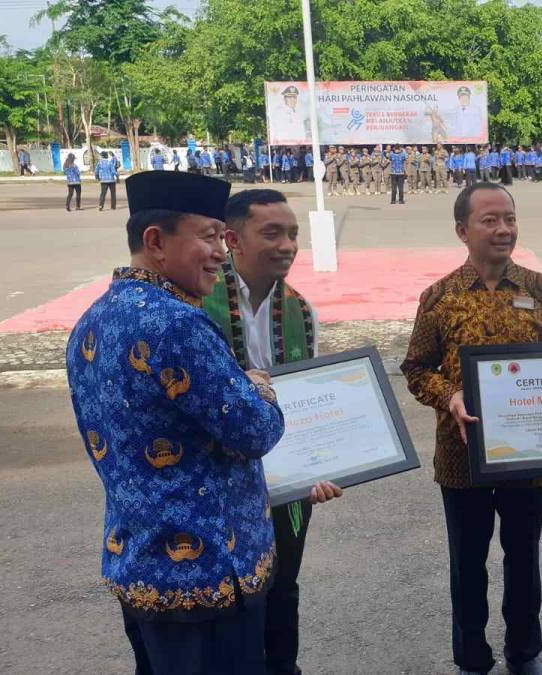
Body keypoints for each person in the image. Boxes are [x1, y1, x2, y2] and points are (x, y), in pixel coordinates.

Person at [64, 171, 285, 674]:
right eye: (208, 236)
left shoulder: (93, 319)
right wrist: (260, 387)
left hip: (139, 563)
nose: (221, 253)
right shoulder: (178, 324)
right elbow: (256, 430)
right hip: (208, 575)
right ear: (156, 241)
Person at [401, 182, 542, 675]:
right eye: (489, 220)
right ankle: (472, 658)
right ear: (463, 230)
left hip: (528, 456)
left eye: (510, 218)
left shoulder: (540, 291)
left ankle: (524, 652)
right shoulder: (438, 297)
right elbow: (416, 368)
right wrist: (449, 396)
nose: (503, 229)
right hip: (462, 458)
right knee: (467, 564)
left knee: (524, 558)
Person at [202, 188, 342, 675]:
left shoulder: (303, 312)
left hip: (287, 478)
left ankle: (283, 667)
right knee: (231, 588)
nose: (287, 245)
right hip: (220, 478)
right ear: (232, 240)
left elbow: (309, 400)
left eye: (292, 234)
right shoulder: (198, 303)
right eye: (272, 233)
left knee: (283, 581)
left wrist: (321, 467)